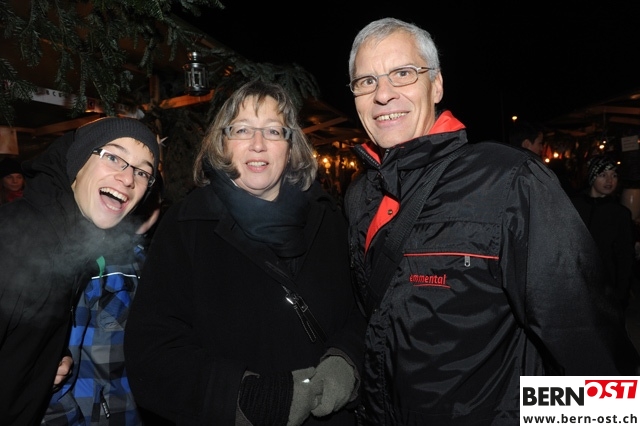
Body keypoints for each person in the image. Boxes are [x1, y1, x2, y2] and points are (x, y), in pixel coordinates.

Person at [343, 17, 640, 425]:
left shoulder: (510, 181)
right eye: (366, 81)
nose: (383, 94)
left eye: (403, 73)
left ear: (436, 85)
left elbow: (588, 347)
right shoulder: (360, 196)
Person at [124, 80, 366, 425]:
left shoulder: (328, 219)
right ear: (222, 143)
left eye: (273, 131)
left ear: (291, 146)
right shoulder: (186, 226)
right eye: (242, 130)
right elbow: (153, 350)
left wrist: (347, 360)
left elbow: (362, 310)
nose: (258, 144)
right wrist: (243, 398)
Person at [0, 117, 160, 426]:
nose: (129, 178)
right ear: (78, 161)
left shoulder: (73, 248)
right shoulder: (17, 235)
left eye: (143, 172)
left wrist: (44, 363)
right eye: (113, 157)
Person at [41, 174, 165, 425]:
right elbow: (54, 371)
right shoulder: (88, 265)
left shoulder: (152, 261)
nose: (144, 207)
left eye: (153, 199)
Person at [570, 156, 636, 310]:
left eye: (614, 175)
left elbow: (625, 255)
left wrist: (622, 293)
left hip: (606, 286)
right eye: (603, 175)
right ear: (592, 177)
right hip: (574, 282)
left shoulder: (620, 213)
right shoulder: (573, 206)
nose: (609, 180)